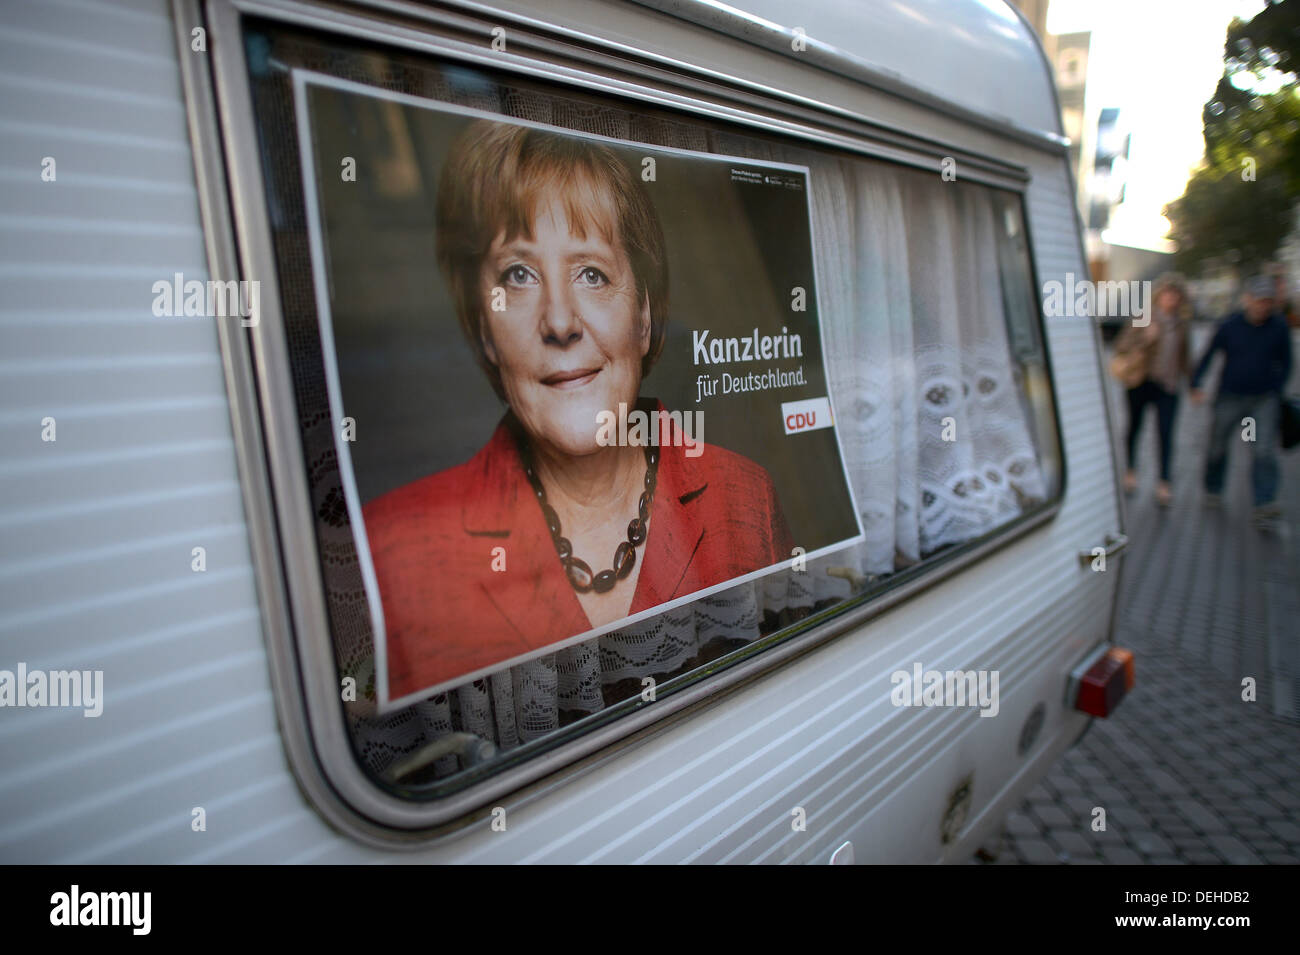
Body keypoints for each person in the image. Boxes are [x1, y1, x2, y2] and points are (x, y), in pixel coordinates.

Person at [362, 120, 794, 700]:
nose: (560, 322)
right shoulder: (394, 554)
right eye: (518, 276)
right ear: (485, 331)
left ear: (644, 314)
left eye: (592, 274)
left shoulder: (745, 496)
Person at [1190, 275, 1293, 522]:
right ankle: (1213, 488)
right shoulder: (1230, 325)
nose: (1263, 306)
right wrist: (1196, 383)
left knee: (1263, 450)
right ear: (1248, 299)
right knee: (1218, 446)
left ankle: (1264, 501)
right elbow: (1209, 354)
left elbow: (1287, 362)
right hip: (1230, 397)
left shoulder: (1278, 327)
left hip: (1263, 400)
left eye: (1267, 302)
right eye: (1259, 300)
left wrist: (1277, 389)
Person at [1114, 273, 1192, 507]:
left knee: (1166, 433)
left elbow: (1185, 357)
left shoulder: (1181, 324)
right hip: (1140, 382)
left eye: (1175, 296)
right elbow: (1121, 345)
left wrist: (1193, 383)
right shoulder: (1144, 317)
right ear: (1159, 296)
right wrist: (1147, 339)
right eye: (1167, 294)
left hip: (1167, 386)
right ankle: (1130, 472)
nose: (1171, 300)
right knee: (1134, 427)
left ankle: (1164, 483)